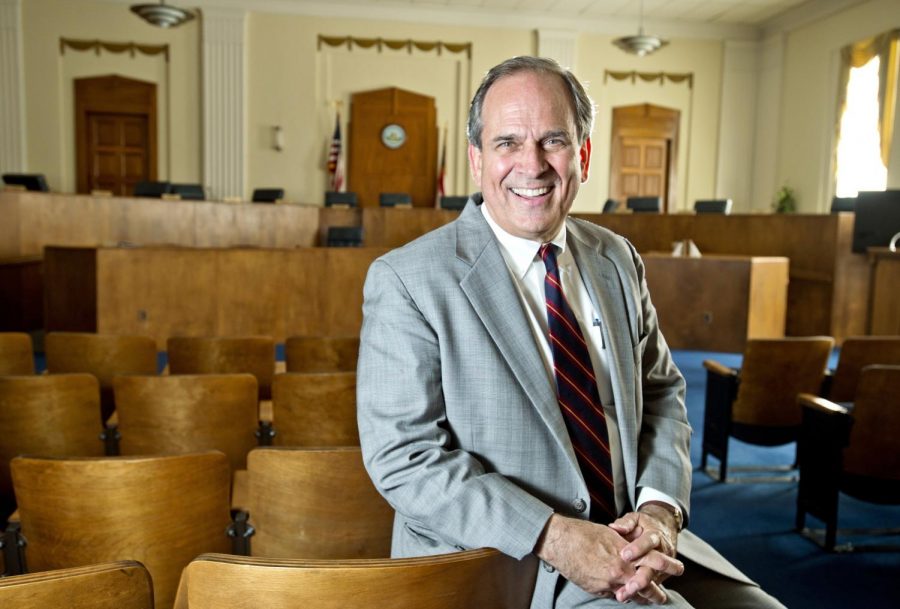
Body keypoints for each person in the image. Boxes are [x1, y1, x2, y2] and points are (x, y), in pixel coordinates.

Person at [357, 56, 786, 608]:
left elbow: (661, 395)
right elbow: (406, 458)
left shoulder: (616, 258)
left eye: (552, 140)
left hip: (635, 540)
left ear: (582, 154)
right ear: (476, 159)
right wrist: (555, 536)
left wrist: (659, 512)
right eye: (507, 142)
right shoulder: (407, 280)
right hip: (503, 559)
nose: (531, 165)